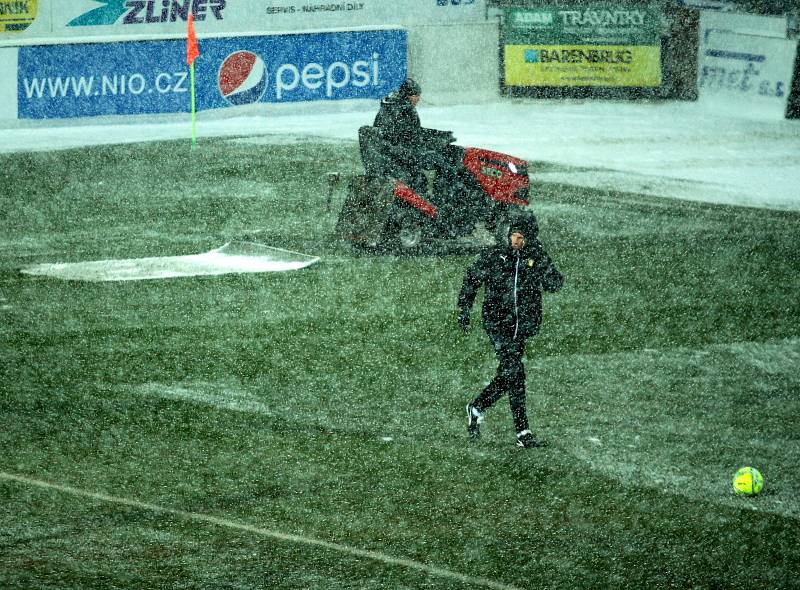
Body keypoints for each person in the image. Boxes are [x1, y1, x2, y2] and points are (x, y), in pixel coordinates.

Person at [457, 211, 563, 448]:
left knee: (511, 374)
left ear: (529, 238)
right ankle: (522, 432)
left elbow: (554, 283)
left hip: (520, 327)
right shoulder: (495, 256)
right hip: (497, 324)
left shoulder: (535, 257)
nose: (515, 241)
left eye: (520, 237)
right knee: (515, 372)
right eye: (513, 235)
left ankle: (477, 408)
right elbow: (471, 278)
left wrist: (542, 263)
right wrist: (464, 309)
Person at [372, 78, 471, 229]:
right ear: (409, 95)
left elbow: (410, 134)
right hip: (402, 154)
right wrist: (439, 139)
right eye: (417, 95)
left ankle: (434, 197)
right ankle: (451, 196)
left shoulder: (390, 106)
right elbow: (413, 137)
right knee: (440, 160)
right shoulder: (404, 109)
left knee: (429, 165)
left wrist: (438, 134)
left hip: (392, 152)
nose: (418, 99)